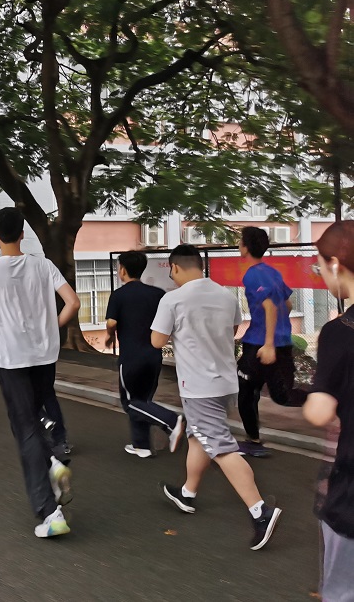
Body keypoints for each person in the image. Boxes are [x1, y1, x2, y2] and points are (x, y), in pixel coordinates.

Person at [152, 245, 281, 550]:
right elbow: (233, 330)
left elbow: (157, 340)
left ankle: (260, 511)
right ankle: (187, 493)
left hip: (199, 386)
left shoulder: (173, 299)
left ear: (174, 268)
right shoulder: (225, 295)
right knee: (200, 437)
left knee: (220, 447)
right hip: (225, 382)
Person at [0, 207, 80, 538]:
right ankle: (53, 464)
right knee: (32, 418)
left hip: (12, 359)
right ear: (22, 234)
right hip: (45, 355)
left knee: (25, 428)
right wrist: (53, 326)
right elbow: (73, 302)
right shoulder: (44, 265)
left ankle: (49, 512)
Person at [302, 222, 354, 601]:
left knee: (343, 590)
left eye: (319, 265)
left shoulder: (340, 331)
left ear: (335, 264)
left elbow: (320, 412)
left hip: (351, 488)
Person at [105, 251, 184, 458]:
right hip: (153, 356)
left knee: (130, 403)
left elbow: (111, 322)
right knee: (142, 401)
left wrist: (110, 335)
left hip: (131, 357)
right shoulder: (158, 294)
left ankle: (171, 421)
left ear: (122, 270)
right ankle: (142, 446)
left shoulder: (119, 295)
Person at [236, 226, 307, 458]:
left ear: (246, 247)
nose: (238, 245)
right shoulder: (273, 272)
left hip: (259, 345)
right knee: (282, 396)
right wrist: (279, 332)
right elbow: (287, 304)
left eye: (240, 241)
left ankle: (253, 441)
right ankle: (327, 397)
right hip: (282, 343)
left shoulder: (252, 275)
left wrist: (268, 344)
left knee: (246, 391)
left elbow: (269, 307)